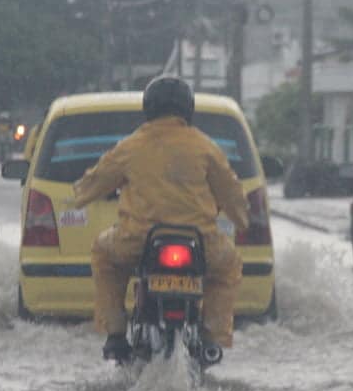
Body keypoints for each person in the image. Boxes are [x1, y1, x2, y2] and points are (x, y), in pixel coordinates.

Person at [70, 76, 249, 361]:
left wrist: (78, 196)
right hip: (200, 245)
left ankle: (115, 333)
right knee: (228, 267)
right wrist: (241, 221)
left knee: (103, 255)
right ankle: (213, 338)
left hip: (138, 242)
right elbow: (231, 193)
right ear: (188, 109)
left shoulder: (130, 147)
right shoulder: (206, 147)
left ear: (148, 108)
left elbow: (93, 184)